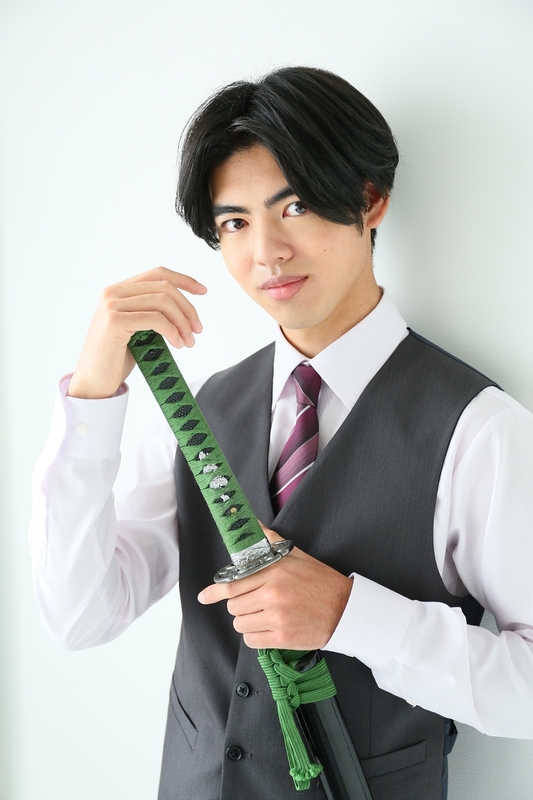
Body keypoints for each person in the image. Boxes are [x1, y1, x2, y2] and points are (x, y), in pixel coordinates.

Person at [30, 67, 533, 800]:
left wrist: (352, 615)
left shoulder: (479, 430)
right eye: (234, 222)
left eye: (293, 206)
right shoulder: (200, 408)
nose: (265, 252)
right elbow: (79, 616)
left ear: (370, 200)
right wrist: (93, 394)